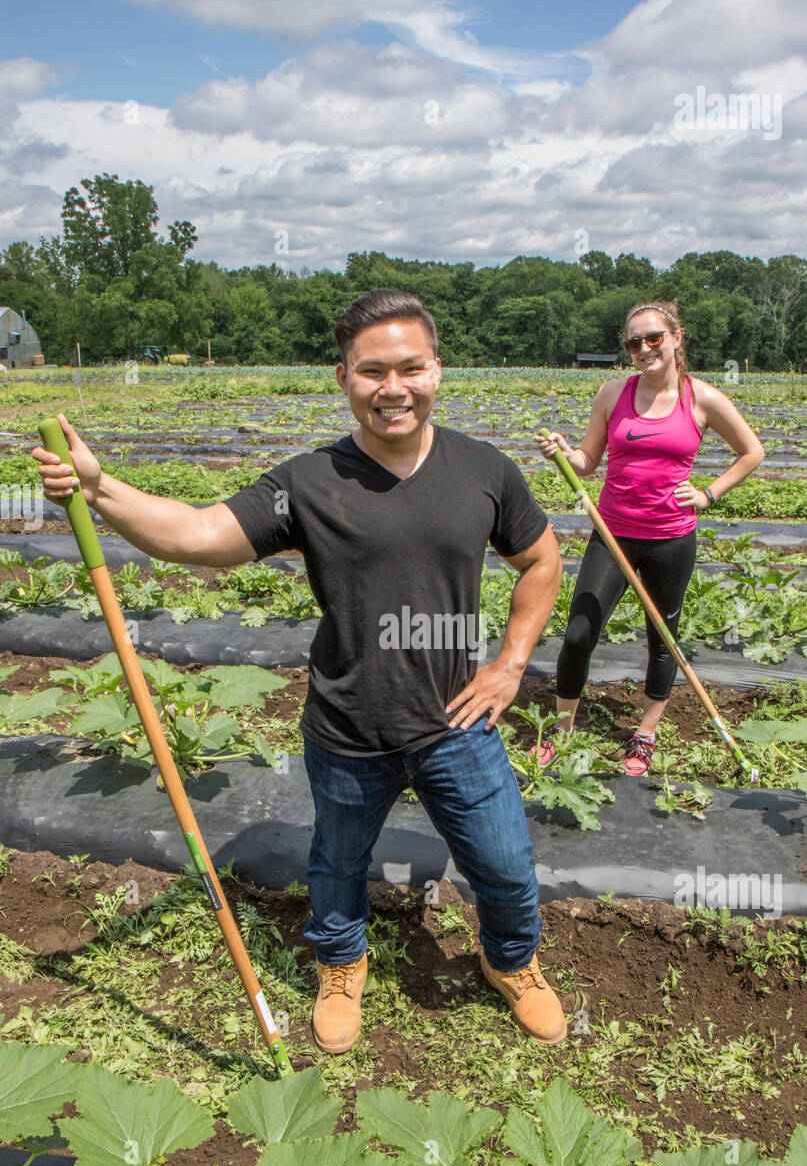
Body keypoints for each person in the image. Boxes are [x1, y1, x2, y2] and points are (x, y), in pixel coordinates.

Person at [32, 289, 568, 1053]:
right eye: (372, 371)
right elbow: (196, 533)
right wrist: (99, 487)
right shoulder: (310, 481)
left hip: (457, 722)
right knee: (338, 864)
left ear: (437, 370)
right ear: (344, 377)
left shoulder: (484, 470)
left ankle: (512, 961)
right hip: (348, 724)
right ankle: (341, 962)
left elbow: (541, 559)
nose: (393, 388)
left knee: (508, 867)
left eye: (410, 368)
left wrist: (512, 665)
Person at [534, 299, 764, 775]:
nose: (643, 348)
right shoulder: (612, 393)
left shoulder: (701, 398)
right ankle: (562, 729)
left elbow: (751, 451)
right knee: (579, 634)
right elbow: (587, 462)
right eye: (633, 342)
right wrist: (563, 451)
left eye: (653, 338)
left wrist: (708, 494)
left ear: (676, 337)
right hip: (612, 533)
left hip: (670, 539)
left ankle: (645, 734)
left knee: (663, 639)